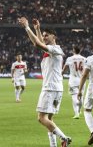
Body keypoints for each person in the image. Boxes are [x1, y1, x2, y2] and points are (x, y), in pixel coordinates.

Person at [18, 17, 71, 147]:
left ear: (54, 36)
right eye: (44, 35)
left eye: (47, 36)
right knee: (49, 120)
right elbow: (39, 42)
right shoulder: (51, 50)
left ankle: (64, 138)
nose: (45, 37)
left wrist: (27, 27)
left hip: (50, 88)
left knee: (41, 118)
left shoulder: (56, 49)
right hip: (56, 88)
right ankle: (53, 145)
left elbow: (37, 44)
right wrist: (38, 29)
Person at [62, 46, 86, 119]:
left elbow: (64, 69)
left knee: (74, 97)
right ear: (80, 50)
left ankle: (76, 114)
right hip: (82, 79)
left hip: (73, 80)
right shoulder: (84, 59)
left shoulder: (70, 59)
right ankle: (79, 110)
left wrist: (62, 73)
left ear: (73, 50)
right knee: (81, 96)